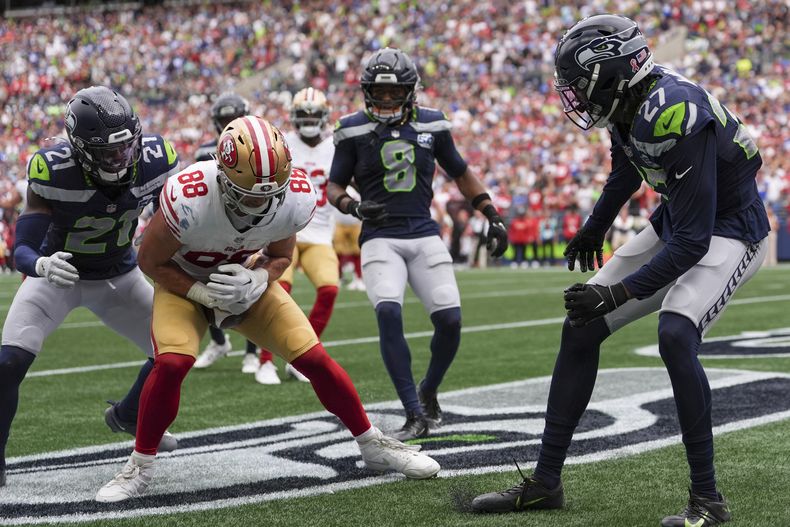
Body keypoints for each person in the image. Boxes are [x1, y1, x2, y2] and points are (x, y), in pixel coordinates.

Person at [471, 15, 769, 527]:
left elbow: (695, 241)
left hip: (732, 230)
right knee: (578, 325)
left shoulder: (674, 110)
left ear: (608, 74)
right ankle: (546, 482)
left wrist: (615, 295)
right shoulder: (630, 103)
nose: (574, 98)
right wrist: (595, 227)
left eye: (579, 85)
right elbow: (627, 169)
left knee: (675, 333)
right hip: (682, 217)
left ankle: (709, 500)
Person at [95, 116, 440, 502]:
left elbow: (281, 256)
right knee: (172, 363)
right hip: (184, 284)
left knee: (314, 358)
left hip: (246, 281)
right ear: (222, 177)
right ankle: (140, 466)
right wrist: (204, 295)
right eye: (248, 194)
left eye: (269, 193)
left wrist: (258, 278)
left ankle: (372, 444)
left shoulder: (294, 195)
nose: (259, 202)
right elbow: (150, 262)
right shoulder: (189, 194)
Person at [0, 86, 181, 487]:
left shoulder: (157, 159)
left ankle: (128, 414)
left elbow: (179, 216)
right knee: (8, 363)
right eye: (108, 152)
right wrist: (42, 264)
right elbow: (22, 250)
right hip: (59, 276)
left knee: (173, 352)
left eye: (127, 147)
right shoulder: (54, 169)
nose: (121, 158)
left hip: (120, 275)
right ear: (79, 149)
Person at [327, 48, 509, 440]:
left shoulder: (434, 124)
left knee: (451, 321)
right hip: (380, 237)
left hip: (423, 231)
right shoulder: (352, 129)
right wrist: (354, 208)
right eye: (380, 92)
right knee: (389, 313)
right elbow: (334, 185)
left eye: (395, 93)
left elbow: (461, 173)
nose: (387, 100)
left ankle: (428, 389)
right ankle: (413, 411)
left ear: (411, 92)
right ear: (366, 91)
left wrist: (492, 214)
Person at [250, 87, 339, 385]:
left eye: (315, 114)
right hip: (284, 230)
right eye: (304, 114)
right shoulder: (282, 143)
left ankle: (300, 358)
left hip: (321, 233)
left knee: (329, 290)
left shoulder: (336, 147)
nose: (310, 119)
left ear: (325, 117)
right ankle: (265, 362)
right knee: (277, 291)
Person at [191, 92, 261, 375]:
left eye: (233, 118)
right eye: (224, 120)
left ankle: (252, 353)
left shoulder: (261, 148)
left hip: (252, 226)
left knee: (251, 289)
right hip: (213, 228)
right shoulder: (203, 151)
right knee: (204, 288)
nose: (230, 123)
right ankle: (219, 342)